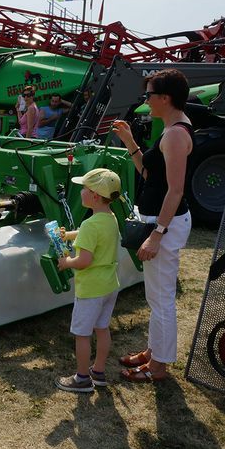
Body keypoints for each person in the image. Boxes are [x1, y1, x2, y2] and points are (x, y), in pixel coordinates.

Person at [112, 69, 193, 383]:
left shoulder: (175, 134)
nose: (145, 100)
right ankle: (154, 351)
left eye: (149, 95)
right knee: (156, 297)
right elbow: (151, 175)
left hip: (165, 226)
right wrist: (130, 141)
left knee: (161, 300)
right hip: (160, 223)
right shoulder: (171, 128)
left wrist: (157, 234)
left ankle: (158, 366)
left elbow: (175, 190)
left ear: (165, 98)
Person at [54, 168, 122, 392]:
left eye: (84, 188)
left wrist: (66, 263)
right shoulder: (110, 218)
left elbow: (83, 260)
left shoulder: (89, 225)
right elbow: (92, 234)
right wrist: (69, 235)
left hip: (91, 289)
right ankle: (99, 372)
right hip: (109, 285)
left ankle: (82, 378)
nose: (81, 191)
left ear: (94, 196)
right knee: (102, 328)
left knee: (82, 334)